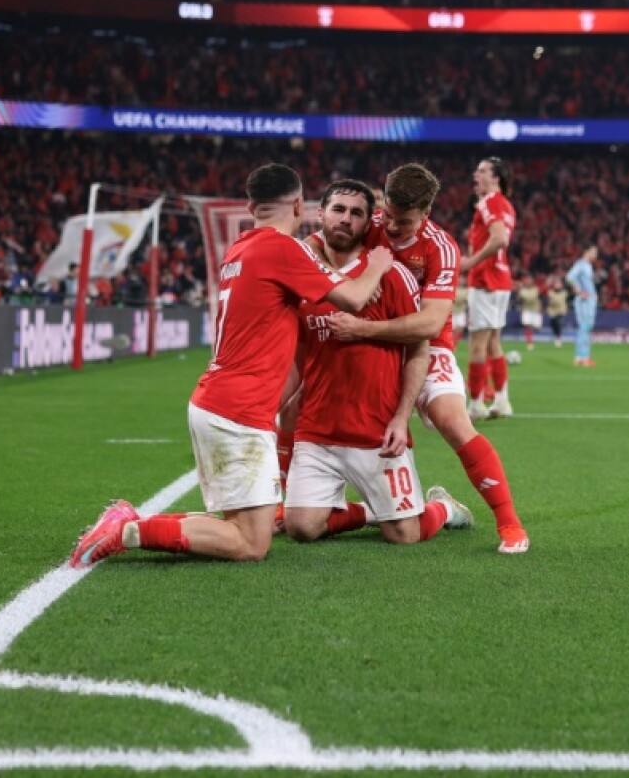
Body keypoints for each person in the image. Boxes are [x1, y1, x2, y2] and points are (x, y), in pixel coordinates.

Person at [68, 164, 394, 568]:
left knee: (242, 528)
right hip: (237, 411)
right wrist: (379, 263)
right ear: (299, 205)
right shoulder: (282, 250)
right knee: (250, 544)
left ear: (250, 206)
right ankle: (127, 529)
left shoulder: (240, 248)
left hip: (220, 400)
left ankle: (131, 524)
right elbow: (356, 298)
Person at [321, 163, 530, 554]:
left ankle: (509, 523)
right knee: (307, 400)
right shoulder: (371, 225)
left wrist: (365, 330)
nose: (393, 227)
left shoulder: (441, 247)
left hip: (423, 345)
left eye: (405, 221)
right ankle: (300, 505)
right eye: (389, 216)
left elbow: (432, 323)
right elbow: (324, 246)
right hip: (370, 345)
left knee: (453, 422)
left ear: (427, 212)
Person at [282, 178, 473, 545]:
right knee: (301, 528)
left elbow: (419, 349)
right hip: (318, 432)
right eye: (338, 210)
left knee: (405, 535)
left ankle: (442, 508)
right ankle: (375, 510)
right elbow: (296, 351)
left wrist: (401, 419)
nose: (345, 219)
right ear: (320, 214)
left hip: (375, 433)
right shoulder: (305, 275)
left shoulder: (395, 275)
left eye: (356, 214)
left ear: (370, 221)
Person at [461, 157, 517, 421]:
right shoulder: (507, 205)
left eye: (482, 171)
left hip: (485, 280)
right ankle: (502, 400)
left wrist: (470, 262)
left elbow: (499, 238)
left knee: (477, 345)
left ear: (496, 178)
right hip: (502, 280)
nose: (476, 174)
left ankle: (475, 405)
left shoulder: (489, 202)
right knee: (494, 343)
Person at [566, 245, 598, 367]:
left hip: (589, 300)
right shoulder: (581, 264)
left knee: (585, 328)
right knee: (585, 327)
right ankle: (584, 357)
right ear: (587, 251)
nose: (596, 255)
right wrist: (579, 291)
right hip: (584, 301)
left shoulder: (588, 265)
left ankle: (580, 357)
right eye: (594, 252)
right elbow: (569, 277)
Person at [516, 273, 542, 351]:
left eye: (529, 280)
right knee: (527, 326)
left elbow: (539, 299)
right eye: (527, 280)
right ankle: (529, 343)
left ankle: (533, 339)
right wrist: (518, 292)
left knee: (537, 327)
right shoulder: (522, 290)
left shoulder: (536, 289)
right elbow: (518, 300)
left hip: (535, 310)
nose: (528, 282)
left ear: (532, 281)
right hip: (526, 310)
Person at [546, 275, 569, 348]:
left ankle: (558, 338)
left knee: (558, 322)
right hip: (552, 311)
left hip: (561, 311)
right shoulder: (550, 292)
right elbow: (547, 301)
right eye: (556, 284)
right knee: (553, 324)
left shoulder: (565, 292)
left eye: (559, 284)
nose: (557, 285)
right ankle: (556, 336)